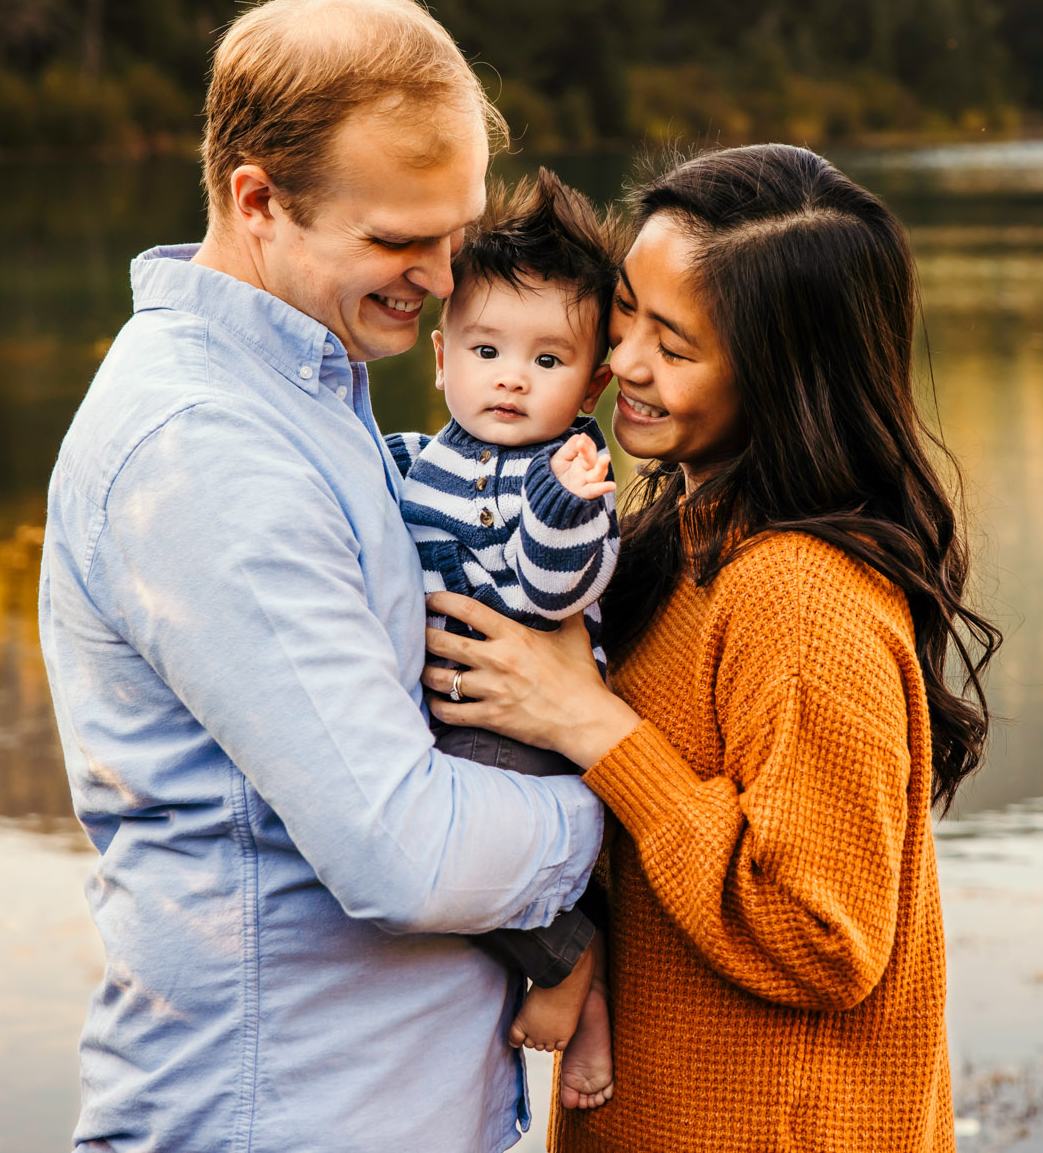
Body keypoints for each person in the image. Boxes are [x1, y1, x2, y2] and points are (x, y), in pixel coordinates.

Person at [36, 0, 603, 1153]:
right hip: (278, 1114)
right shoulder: (203, 447)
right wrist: (618, 799)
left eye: (455, 233)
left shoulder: (309, 389)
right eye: (398, 239)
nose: (444, 278)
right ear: (258, 200)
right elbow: (404, 849)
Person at [423, 143, 1003, 1152]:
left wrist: (593, 726)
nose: (622, 362)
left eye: (674, 343)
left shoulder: (799, 596)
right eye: (626, 313)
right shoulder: (672, 540)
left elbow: (822, 939)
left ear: (780, 374)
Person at [384, 167, 624, 1110]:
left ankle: (566, 963)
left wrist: (566, 500)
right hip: (443, 703)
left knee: (452, 845)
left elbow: (551, 584)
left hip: (520, 725)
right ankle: (581, 971)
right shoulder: (414, 459)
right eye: (486, 349)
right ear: (441, 357)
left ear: (594, 381)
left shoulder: (570, 481)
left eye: (549, 361)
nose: (512, 378)